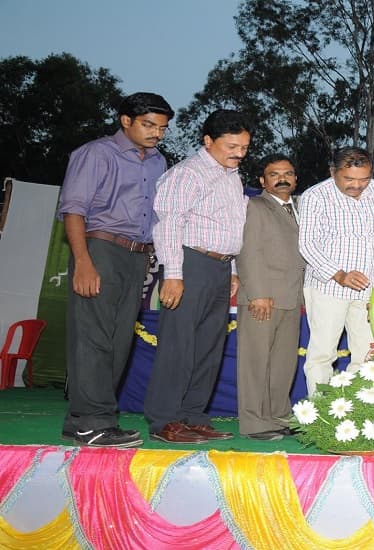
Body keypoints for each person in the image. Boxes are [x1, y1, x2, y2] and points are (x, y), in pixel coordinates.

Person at [57, 92, 174, 448]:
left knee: (119, 341)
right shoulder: (96, 153)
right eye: (149, 125)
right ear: (126, 121)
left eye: (162, 128)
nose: (156, 133)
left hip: (137, 256)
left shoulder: (158, 162)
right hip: (100, 248)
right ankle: (93, 423)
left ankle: (83, 421)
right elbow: (73, 210)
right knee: (93, 337)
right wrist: (83, 262)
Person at [145, 109, 251, 444]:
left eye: (244, 147)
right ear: (208, 141)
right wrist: (173, 274)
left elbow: (232, 226)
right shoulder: (187, 174)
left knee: (209, 346)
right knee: (178, 345)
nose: (239, 153)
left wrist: (232, 269)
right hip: (189, 263)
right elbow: (169, 224)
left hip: (219, 267)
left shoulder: (232, 176)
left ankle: (193, 416)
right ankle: (164, 420)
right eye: (231, 146)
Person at [298, 147, 374, 393]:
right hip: (328, 288)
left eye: (364, 179)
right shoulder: (315, 196)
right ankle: (321, 411)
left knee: (367, 354)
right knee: (322, 354)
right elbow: (307, 244)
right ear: (333, 172)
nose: (357, 186)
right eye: (349, 179)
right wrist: (339, 275)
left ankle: (360, 407)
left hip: (369, 289)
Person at [235, 154, 306, 440]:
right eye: (274, 174)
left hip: (292, 297)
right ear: (262, 181)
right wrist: (258, 294)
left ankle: (278, 416)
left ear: (295, 179)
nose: (282, 179)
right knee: (255, 363)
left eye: (287, 173)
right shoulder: (255, 206)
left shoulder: (299, 209)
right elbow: (248, 251)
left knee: (283, 364)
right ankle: (254, 423)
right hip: (262, 298)